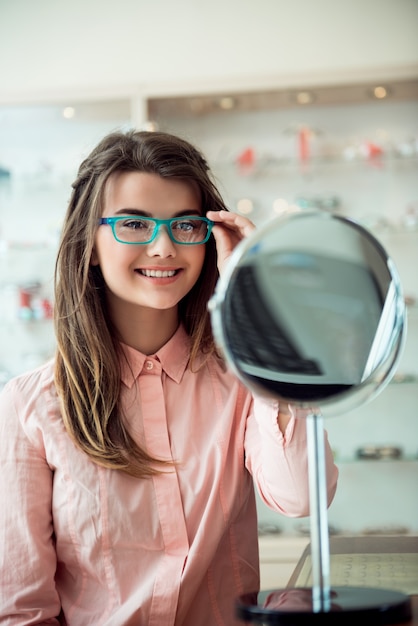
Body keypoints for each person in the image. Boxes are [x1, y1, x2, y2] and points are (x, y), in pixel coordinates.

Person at [0, 130, 338, 625]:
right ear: (89, 245)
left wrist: (258, 304)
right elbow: (21, 609)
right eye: (134, 224)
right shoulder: (30, 405)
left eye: (185, 226)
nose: (163, 247)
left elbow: (302, 496)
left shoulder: (245, 383)